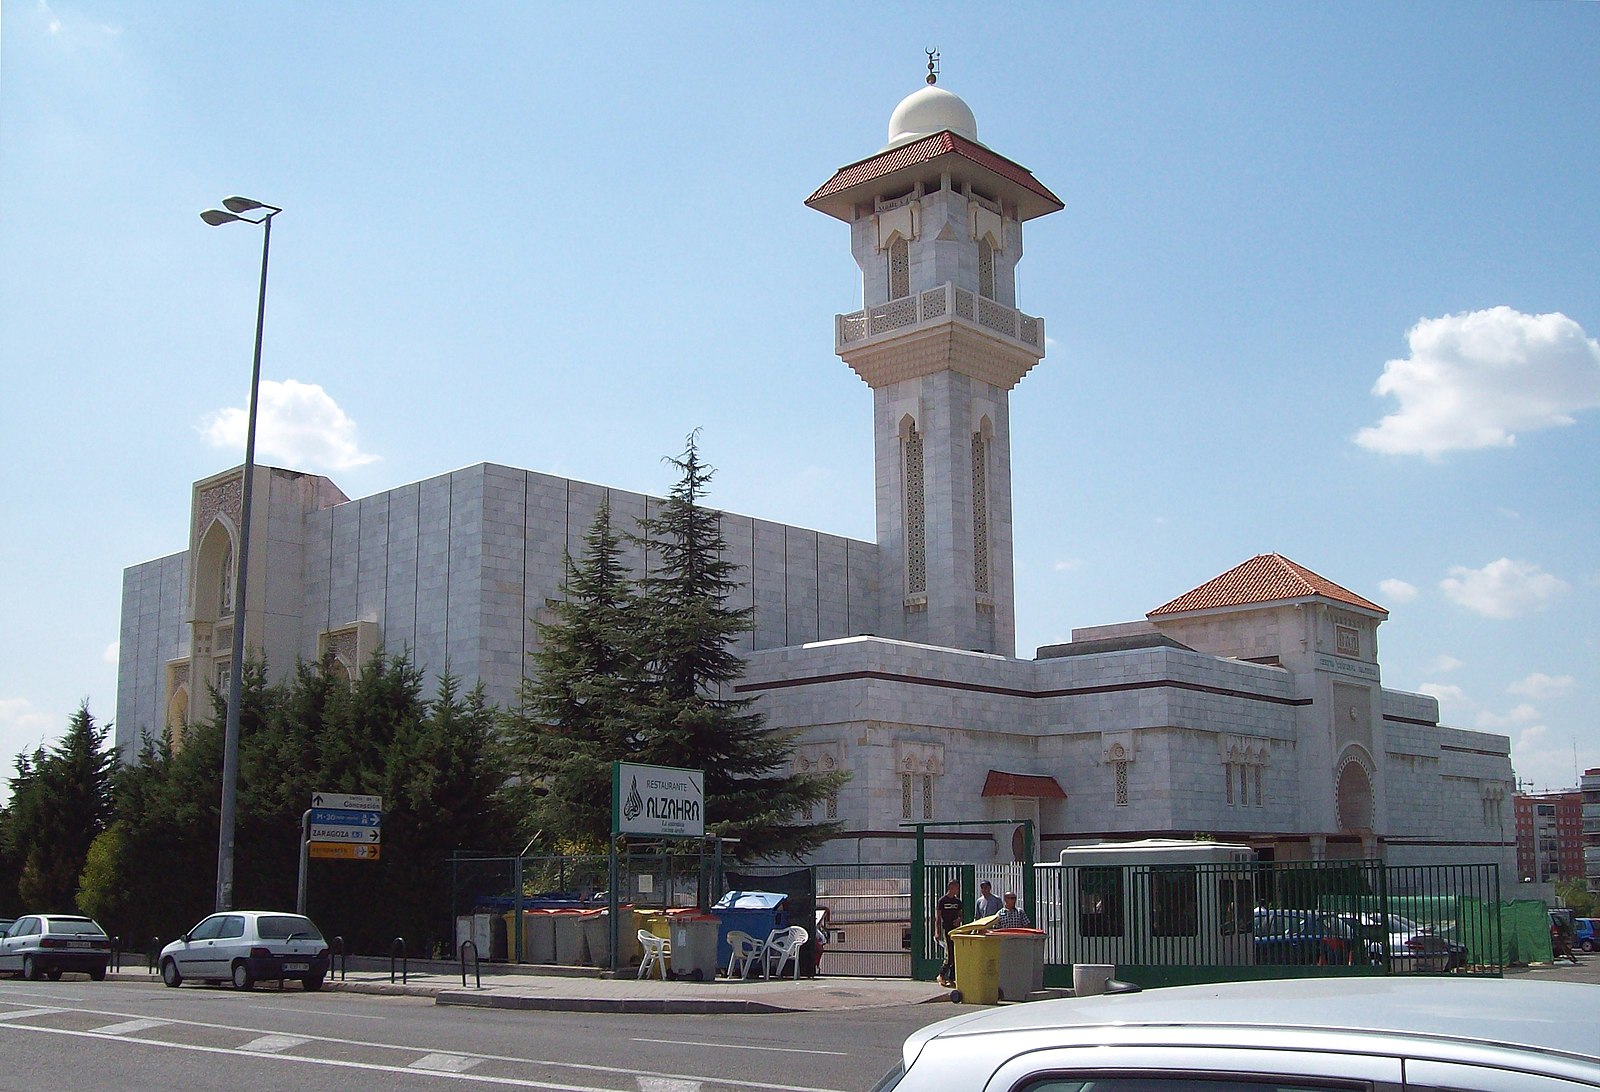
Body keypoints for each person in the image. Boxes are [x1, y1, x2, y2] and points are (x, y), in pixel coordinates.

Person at [935, 879, 964, 987]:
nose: (958, 889)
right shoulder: (942, 901)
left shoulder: (958, 902)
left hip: (956, 930)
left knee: (956, 953)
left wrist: (959, 920)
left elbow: (961, 915)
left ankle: (952, 978)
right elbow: (938, 918)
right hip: (946, 929)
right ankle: (941, 975)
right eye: (956, 887)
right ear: (951, 887)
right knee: (949, 953)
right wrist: (937, 932)